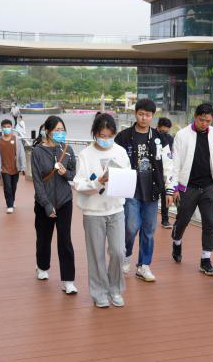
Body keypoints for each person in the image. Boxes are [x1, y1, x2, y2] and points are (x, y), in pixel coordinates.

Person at [114, 98, 174, 282]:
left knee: (149, 230)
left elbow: (168, 164)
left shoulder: (160, 138)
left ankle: (144, 265)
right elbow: (114, 162)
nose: (144, 118)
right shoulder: (123, 137)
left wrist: (169, 189)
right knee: (131, 227)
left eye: (147, 115)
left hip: (152, 190)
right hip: (130, 190)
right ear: (135, 114)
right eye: (140, 114)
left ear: (152, 116)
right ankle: (126, 255)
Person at [74, 114, 131, 308]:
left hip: (116, 209)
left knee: (118, 251)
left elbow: (128, 176)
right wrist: (99, 181)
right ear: (95, 134)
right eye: (101, 135)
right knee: (96, 255)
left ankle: (115, 289)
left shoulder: (120, 152)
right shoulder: (85, 154)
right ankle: (99, 292)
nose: (105, 139)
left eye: (109, 136)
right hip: (93, 212)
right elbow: (79, 184)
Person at [170, 103, 213, 276]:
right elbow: (175, 163)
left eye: (208, 121)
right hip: (187, 187)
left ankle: (205, 260)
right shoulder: (182, 135)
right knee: (182, 220)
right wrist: (174, 188)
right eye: (202, 120)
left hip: (208, 186)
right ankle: (177, 242)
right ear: (195, 117)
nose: (205, 124)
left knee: (210, 222)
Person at [31, 115, 77, 295]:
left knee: (65, 240)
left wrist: (66, 174)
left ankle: (68, 280)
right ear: (48, 131)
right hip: (44, 202)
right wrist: (46, 204)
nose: (60, 133)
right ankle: (42, 266)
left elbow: (73, 174)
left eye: (62, 130)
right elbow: (37, 181)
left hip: (65, 201)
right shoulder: (37, 152)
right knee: (44, 238)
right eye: (57, 130)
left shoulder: (68, 149)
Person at [0, 119, 26, 213]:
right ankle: (9, 205)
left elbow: (21, 153)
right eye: (4, 127)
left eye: (8, 127)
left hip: (15, 167)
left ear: (11, 127)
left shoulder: (17, 139)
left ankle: (12, 200)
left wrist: (23, 167)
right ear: (2, 128)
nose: (6, 128)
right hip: (4, 168)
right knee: (7, 187)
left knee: (13, 186)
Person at [156, 117, 174, 228]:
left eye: (166, 132)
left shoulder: (170, 139)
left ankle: (165, 219)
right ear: (157, 127)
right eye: (161, 131)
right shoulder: (152, 136)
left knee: (165, 194)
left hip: (165, 170)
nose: (163, 134)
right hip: (154, 171)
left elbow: (171, 155)